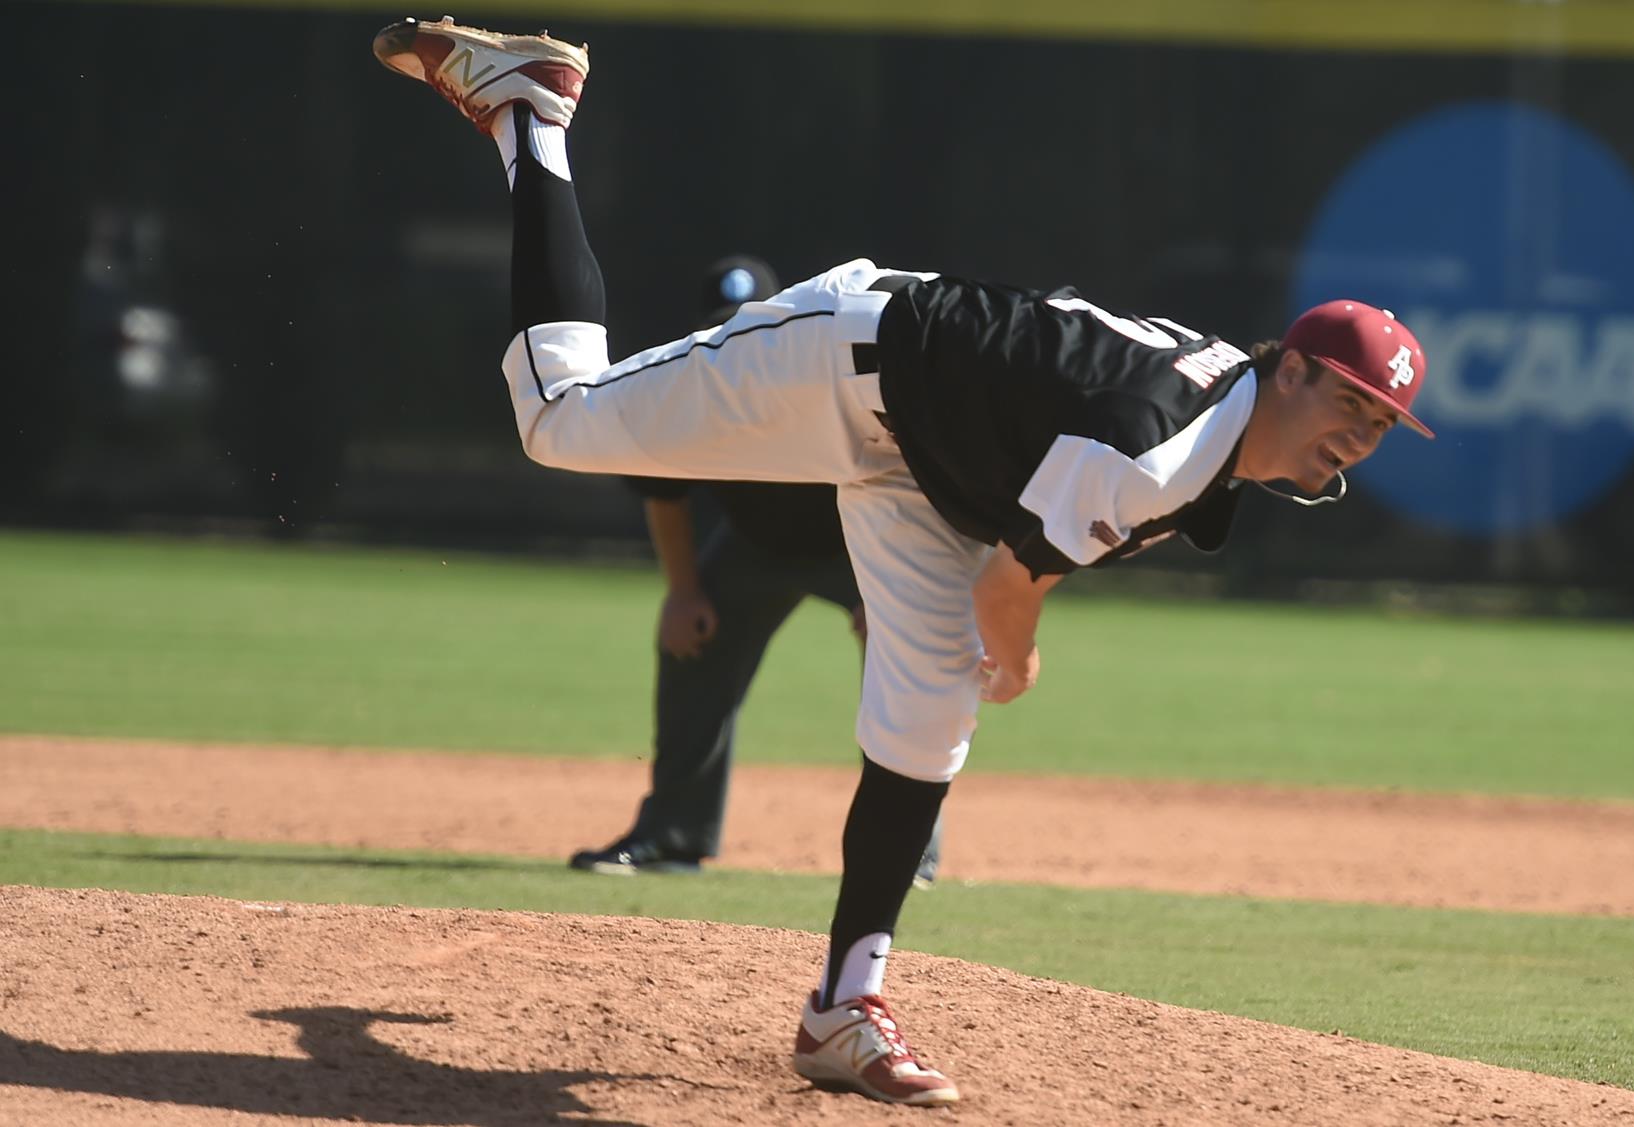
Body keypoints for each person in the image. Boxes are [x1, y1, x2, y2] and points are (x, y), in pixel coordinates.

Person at [372, 16, 1432, 1109]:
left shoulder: (1214, 433)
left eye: (1382, 422)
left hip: (931, 468)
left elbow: (1047, 509)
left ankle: (842, 1006)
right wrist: (1016, 657)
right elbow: (1008, 588)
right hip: (850, 360)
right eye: (1350, 402)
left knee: (927, 723)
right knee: (560, 419)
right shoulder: (1171, 442)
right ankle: (530, 114)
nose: (1359, 432)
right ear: (1294, 369)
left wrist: (1006, 626)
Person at [569, 257, 945, 889]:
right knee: (692, 638)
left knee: (909, 661)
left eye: (746, 322)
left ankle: (909, 851)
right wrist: (683, 592)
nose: (735, 335)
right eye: (722, 326)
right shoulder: (694, 386)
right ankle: (672, 835)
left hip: (862, 539)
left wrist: (894, 588)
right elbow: (663, 491)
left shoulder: (828, 375)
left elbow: (920, 475)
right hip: (755, 545)